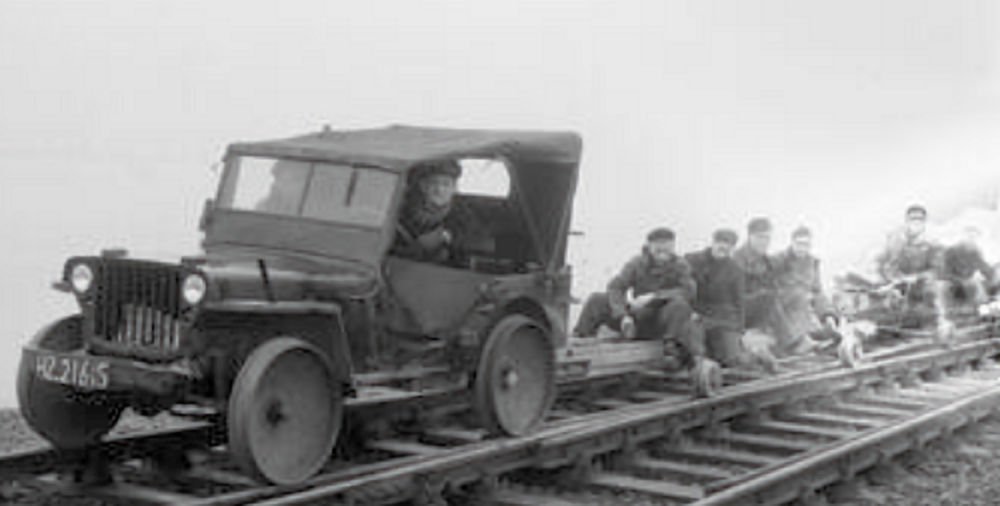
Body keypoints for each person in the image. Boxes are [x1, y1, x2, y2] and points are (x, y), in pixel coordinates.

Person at [574, 227, 719, 396]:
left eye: (667, 245)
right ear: (649, 246)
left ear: (673, 246)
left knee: (679, 304)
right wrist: (622, 316)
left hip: (661, 324)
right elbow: (616, 286)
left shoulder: (681, 266)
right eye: (658, 245)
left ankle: (670, 349)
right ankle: (579, 342)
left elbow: (689, 291)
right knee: (597, 299)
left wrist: (654, 297)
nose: (662, 250)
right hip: (636, 321)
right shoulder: (637, 263)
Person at [391, 161, 491, 266]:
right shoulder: (400, 213)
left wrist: (447, 237)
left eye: (446, 184)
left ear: (454, 189)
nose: (439, 190)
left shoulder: (465, 216)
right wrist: (417, 247)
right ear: (423, 186)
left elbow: (475, 244)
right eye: (434, 183)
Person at [684, 229, 748, 368]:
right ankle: (699, 363)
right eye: (720, 243)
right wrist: (688, 310)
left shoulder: (735, 270)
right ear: (713, 242)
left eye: (728, 246)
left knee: (733, 360)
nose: (723, 248)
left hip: (723, 318)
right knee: (694, 333)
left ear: (732, 248)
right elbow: (682, 287)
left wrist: (740, 329)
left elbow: (739, 302)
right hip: (698, 314)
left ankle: (758, 357)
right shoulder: (691, 260)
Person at [771, 226, 841, 351]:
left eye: (806, 244)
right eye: (799, 244)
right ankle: (799, 341)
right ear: (792, 242)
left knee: (830, 316)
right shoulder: (778, 261)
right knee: (798, 296)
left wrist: (828, 315)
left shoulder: (812, 263)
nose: (802, 248)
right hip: (784, 308)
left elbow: (818, 291)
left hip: (805, 309)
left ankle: (820, 332)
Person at [874, 204, 943, 328]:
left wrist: (916, 278)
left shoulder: (932, 245)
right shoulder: (896, 242)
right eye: (912, 219)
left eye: (919, 219)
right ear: (906, 221)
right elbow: (886, 264)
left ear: (924, 223)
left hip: (923, 288)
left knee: (930, 296)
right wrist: (893, 279)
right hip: (900, 287)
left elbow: (936, 269)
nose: (916, 223)